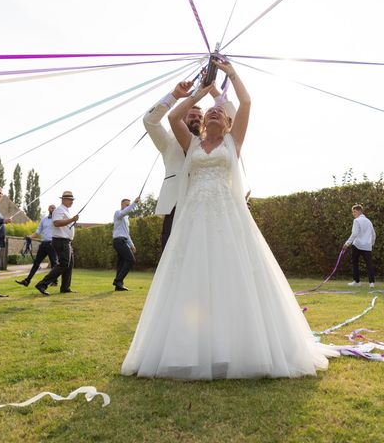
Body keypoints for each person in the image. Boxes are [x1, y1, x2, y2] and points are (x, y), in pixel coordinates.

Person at [121, 61, 338, 380]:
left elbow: (247, 102)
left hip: (226, 214)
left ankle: (237, 348)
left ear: (228, 122)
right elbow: (173, 117)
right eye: (209, 112)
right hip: (193, 216)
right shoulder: (191, 143)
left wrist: (231, 75)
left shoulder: (232, 143)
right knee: (192, 274)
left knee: (231, 272)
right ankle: (190, 348)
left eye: (218, 112)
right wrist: (202, 91)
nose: (212, 113)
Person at [143, 80, 236, 251]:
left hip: (210, 205)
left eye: (200, 117)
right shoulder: (167, 142)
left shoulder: (217, 145)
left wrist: (215, 91)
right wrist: (175, 96)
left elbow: (233, 117)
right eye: (192, 115)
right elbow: (149, 120)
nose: (197, 119)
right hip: (175, 205)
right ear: (182, 116)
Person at [34, 191, 79, 296]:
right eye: (69, 199)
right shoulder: (59, 210)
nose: (71, 201)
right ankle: (42, 284)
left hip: (66, 241)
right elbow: (56, 223)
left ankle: (65, 287)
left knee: (69, 264)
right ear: (63, 200)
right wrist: (72, 219)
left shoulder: (65, 210)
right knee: (63, 264)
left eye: (72, 199)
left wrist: (72, 220)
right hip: (61, 241)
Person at [15, 205, 59, 288]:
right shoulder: (44, 220)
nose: (52, 209)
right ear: (48, 209)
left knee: (54, 263)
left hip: (52, 243)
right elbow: (38, 232)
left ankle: (55, 281)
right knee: (36, 263)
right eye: (51, 207)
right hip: (43, 244)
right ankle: (27, 281)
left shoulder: (57, 220)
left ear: (56, 210)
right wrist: (29, 236)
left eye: (54, 207)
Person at [343, 204, 376, 288]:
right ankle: (371, 283)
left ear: (359, 211)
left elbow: (354, 233)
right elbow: (373, 234)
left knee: (355, 263)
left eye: (355, 211)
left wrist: (347, 243)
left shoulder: (356, 220)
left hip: (357, 245)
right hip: (367, 246)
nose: (353, 213)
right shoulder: (369, 221)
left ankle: (357, 281)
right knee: (369, 264)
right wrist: (371, 244)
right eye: (353, 212)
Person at [112, 196, 141, 291]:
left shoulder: (126, 218)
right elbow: (124, 212)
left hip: (123, 241)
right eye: (127, 205)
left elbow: (126, 233)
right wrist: (134, 203)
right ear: (122, 204)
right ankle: (118, 281)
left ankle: (118, 286)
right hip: (118, 241)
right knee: (130, 260)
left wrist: (131, 244)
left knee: (121, 263)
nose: (128, 206)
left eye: (129, 205)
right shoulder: (118, 213)